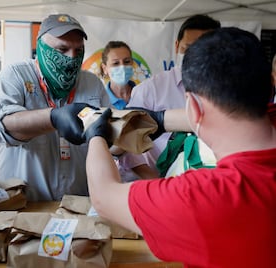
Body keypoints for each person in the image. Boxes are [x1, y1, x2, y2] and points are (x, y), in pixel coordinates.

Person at [84, 27, 276, 267]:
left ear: (192, 107)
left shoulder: (203, 197)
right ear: (270, 86)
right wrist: (161, 119)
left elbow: (104, 197)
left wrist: (95, 135)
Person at [0, 14, 109, 201]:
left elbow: (109, 137)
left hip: (77, 204)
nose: (71, 57)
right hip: (24, 204)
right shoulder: (16, 75)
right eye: (62, 49)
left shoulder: (91, 83)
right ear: (41, 46)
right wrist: (53, 118)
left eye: (78, 50)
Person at [127, 14, 221, 175]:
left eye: (205, 50)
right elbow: (127, 144)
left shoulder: (227, 90)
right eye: (189, 48)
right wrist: (155, 184)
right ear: (177, 46)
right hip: (157, 184)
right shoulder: (151, 90)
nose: (196, 56)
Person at [100, 40, 158, 181]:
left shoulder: (145, 95)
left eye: (126, 62)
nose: (122, 67)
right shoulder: (100, 101)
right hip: (115, 178)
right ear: (105, 68)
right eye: (115, 63)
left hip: (152, 172)